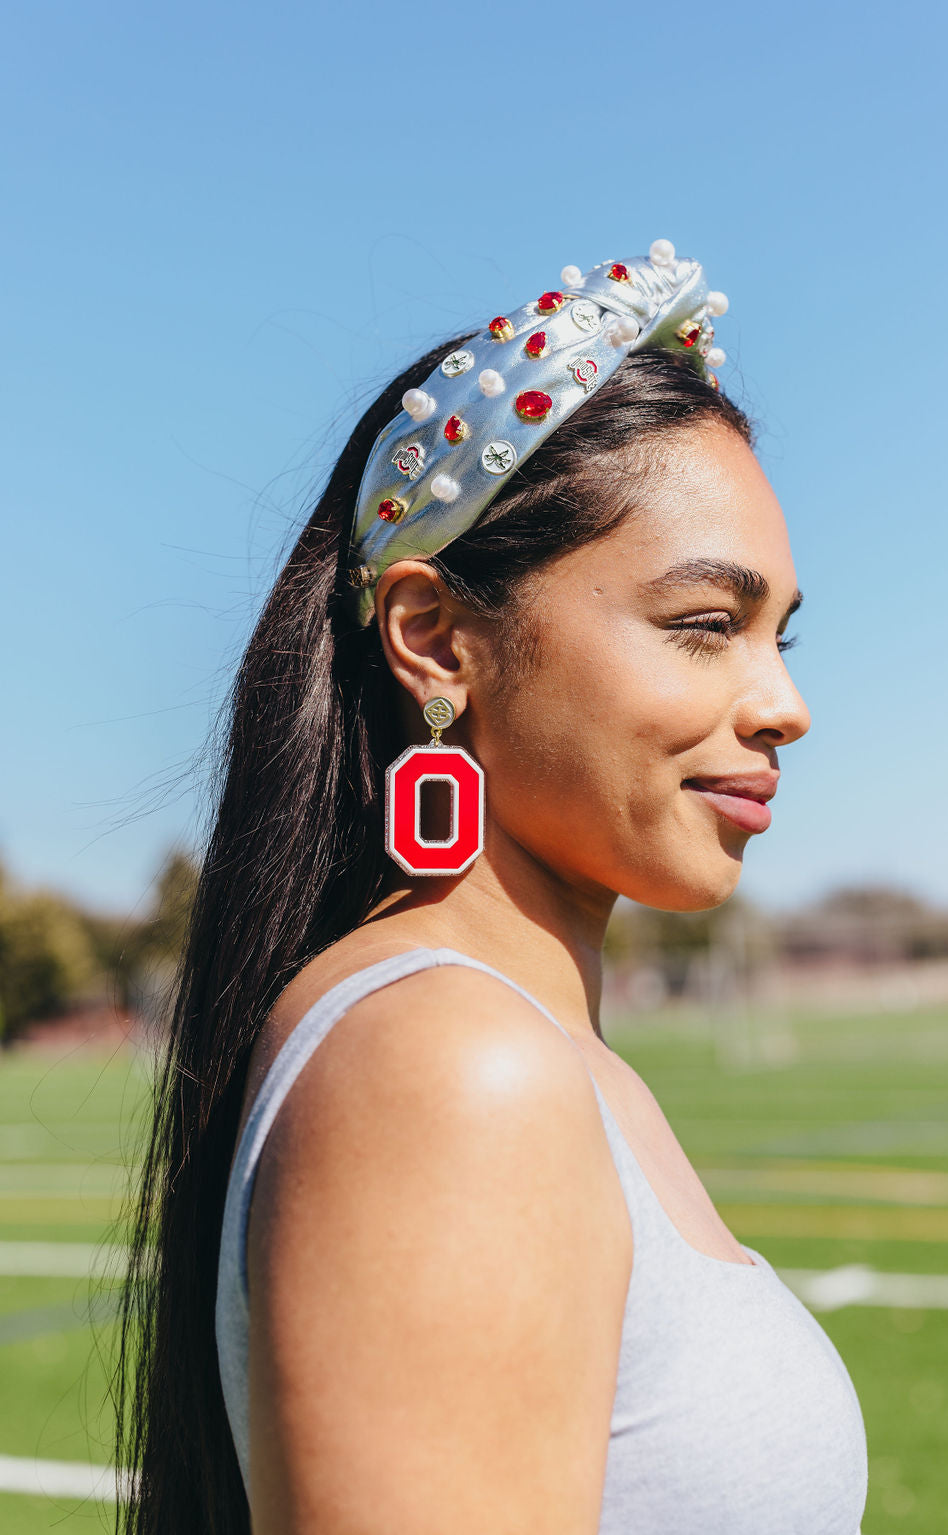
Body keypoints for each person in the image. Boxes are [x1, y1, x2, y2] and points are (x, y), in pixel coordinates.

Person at [115, 241, 869, 1534]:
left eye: (778, 634)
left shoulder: (533, 1049)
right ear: (435, 638)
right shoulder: (450, 1066)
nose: (785, 706)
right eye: (704, 624)